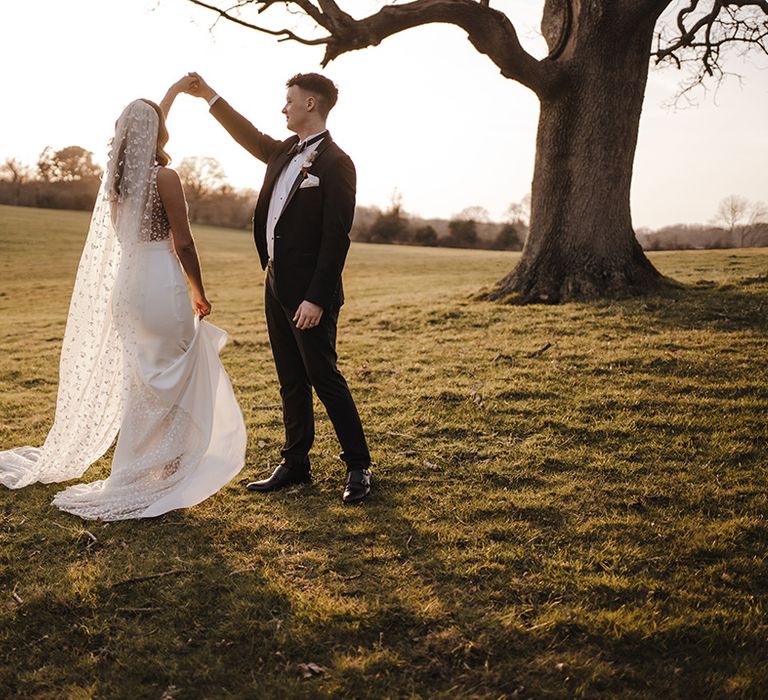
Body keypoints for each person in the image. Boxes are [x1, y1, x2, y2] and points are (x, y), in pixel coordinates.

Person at [0, 85, 247, 520]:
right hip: (161, 284)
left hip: (127, 289)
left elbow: (145, 122)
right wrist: (199, 290)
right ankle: (169, 467)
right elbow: (184, 243)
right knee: (176, 374)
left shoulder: (117, 181)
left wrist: (168, 94)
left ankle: (139, 467)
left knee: (143, 379)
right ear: (159, 132)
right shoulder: (166, 178)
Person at [181, 71, 372, 503]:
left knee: (323, 375)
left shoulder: (336, 163)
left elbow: (336, 236)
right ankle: (296, 462)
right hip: (276, 284)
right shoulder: (285, 152)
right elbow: (246, 134)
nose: (283, 107)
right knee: (290, 378)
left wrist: (317, 298)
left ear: (310, 104)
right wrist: (209, 95)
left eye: (289, 100)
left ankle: (359, 466)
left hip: (309, 294)